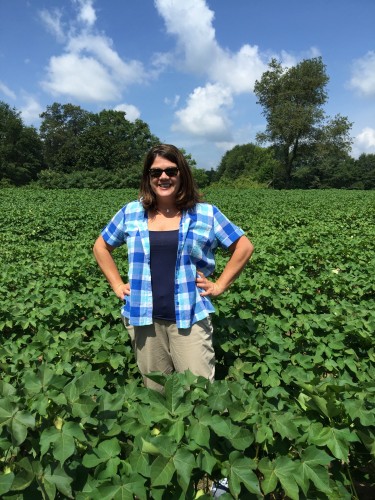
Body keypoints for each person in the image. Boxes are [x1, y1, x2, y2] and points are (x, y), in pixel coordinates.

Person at [93, 144, 254, 391]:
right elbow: (101, 247)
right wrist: (116, 283)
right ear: (148, 177)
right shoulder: (132, 212)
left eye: (171, 170)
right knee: (157, 391)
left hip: (190, 315)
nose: (163, 177)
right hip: (143, 317)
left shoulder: (205, 214)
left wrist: (220, 284)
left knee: (198, 391)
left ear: (182, 174)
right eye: (155, 172)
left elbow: (243, 247)